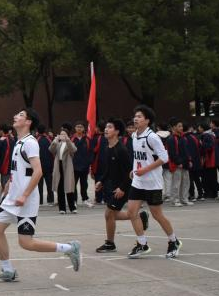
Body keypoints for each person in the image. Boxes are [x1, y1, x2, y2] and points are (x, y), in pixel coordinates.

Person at [0, 108, 81, 282]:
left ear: (28, 122)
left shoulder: (30, 143)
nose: (15, 116)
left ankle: (70, 248)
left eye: (20, 115)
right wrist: (9, 184)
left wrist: (24, 195)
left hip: (26, 199)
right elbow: (21, 169)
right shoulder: (19, 141)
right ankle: (8, 270)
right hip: (13, 198)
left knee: (26, 243)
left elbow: (38, 171)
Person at [126, 105, 182, 259]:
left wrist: (145, 169)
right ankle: (142, 244)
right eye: (135, 116)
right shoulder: (134, 136)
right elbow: (139, 157)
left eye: (140, 116)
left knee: (157, 215)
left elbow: (164, 158)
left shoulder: (152, 137)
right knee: (132, 212)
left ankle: (174, 241)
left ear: (147, 120)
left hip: (152, 182)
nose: (136, 119)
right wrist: (135, 169)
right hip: (138, 181)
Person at [95, 119, 149, 253]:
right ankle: (139, 216)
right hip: (115, 186)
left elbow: (130, 172)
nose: (106, 129)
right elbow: (108, 169)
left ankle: (110, 243)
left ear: (117, 131)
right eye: (106, 127)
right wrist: (101, 181)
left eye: (110, 127)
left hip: (125, 187)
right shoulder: (108, 148)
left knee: (109, 214)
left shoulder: (121, 150)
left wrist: (123, 188)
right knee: (111, 215)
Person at [49, 124, 77, 214]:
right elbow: (51, 149)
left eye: (64, 134)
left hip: (67, 167)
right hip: (58, 166)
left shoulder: (70, 143)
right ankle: (62, 208)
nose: (62, 136)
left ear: (68, 135)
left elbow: (73, 150)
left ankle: (72, 207)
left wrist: (68, 140)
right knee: (60, 188)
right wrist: (55, 140)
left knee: (69, 188)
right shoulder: (58, 143)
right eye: (61, 134)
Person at [71, 122, 93, 208]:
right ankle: (74, 200)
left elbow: (91, 152)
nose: (79, 128)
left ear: (83, 129)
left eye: (81, 127)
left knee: (84, 184)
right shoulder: (72, 139)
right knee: (73, 184)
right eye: (77, 127)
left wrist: (88, 162)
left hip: (84, 166)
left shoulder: (87, 139)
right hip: (74, 166)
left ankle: (85, 199)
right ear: (75, 128)